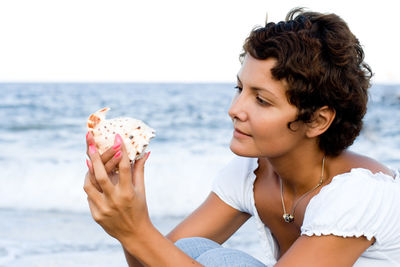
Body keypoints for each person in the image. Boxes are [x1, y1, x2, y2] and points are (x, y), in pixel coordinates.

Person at [83, 8, 400, 267]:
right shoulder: (252, 174)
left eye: (261, 100)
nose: (234, 110)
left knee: (220, 261)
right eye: (240, 89)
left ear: (317, 120)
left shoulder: (360, 193)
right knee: (191, 249)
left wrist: (138, 231)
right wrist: (127, 215)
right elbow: (153, 261)